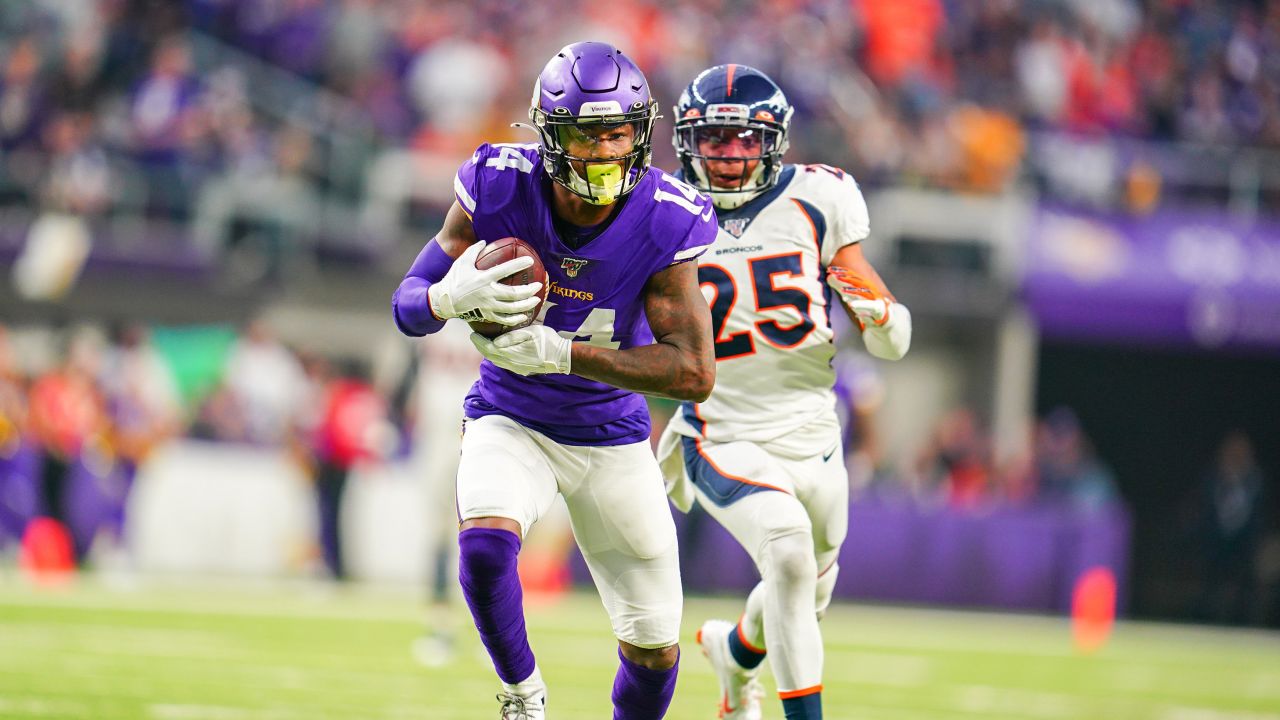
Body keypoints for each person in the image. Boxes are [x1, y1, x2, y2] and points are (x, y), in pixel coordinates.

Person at [391, 41, 717, 720]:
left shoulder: (664, 217)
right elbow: (407, 303)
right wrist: (447, 300)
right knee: (484, 545)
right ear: (548, 135)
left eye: (616, 133)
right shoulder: (499, 185)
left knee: (654, 646)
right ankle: (522, 697)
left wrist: (564, 353)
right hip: (511, 417)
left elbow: (692, 371)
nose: (602, 151)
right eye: (585, 135)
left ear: (640, 133)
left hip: (609, 436)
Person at [657, 65, 913, 720]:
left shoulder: (818, 198)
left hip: (815, 434)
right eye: (715, 139)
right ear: (689, 142)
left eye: (746, 139)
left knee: (805, 588)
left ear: (774, 142)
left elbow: (889, 334)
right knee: (792, 559)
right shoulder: (660, 211)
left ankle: (737, 655)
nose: (730, 154)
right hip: (723, 432)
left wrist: (885, 322)